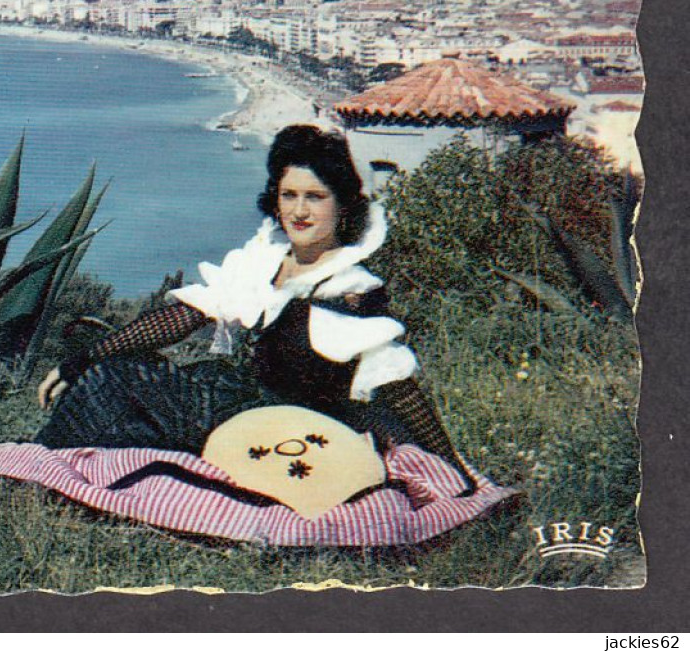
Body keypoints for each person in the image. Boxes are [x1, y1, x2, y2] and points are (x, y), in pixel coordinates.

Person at [34, 124, 478, 495]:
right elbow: (186, 315)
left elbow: (397, 387)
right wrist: (84, 359)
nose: (299, 212)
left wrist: (455, 468)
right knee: (122, 369)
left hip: (282, 428)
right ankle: (61, 477)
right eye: (289, 196)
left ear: (342, 205)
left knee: (116, 380)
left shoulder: (348, 289)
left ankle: (44, 474)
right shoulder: (265, 258)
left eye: (315, 197)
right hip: (234, 404)